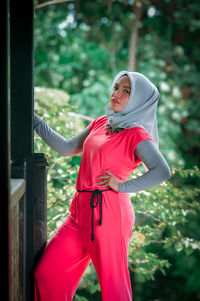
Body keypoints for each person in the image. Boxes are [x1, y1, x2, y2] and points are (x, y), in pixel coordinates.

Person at [34, 71, 171, 301]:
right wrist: (35, 120)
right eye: (117, 87)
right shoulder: (101, 122)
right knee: (47, 275)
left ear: (138, 100)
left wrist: (124, 186)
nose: (116, 93)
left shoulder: (136, 134)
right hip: (79, 212)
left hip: (110, 214)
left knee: (113, 290)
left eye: (126, 91)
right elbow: (67, 148)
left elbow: (162, 171)